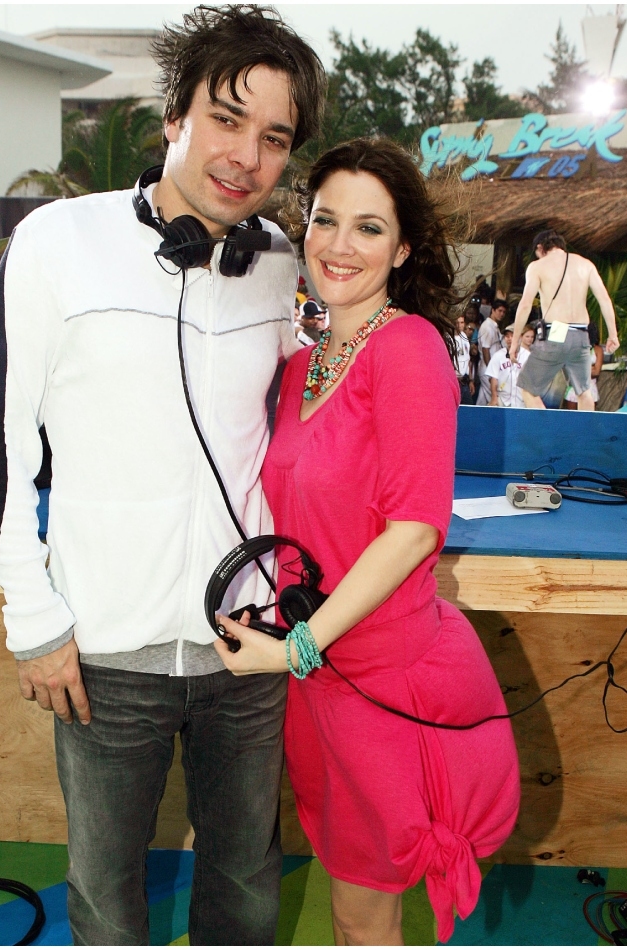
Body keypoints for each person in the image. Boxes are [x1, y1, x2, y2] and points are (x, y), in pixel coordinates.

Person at [0, 6, 326, 946]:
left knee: (246, 888)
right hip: (101, 652)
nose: (246, 155)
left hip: (245, 644)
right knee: (106, 899)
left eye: (274, 137)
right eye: (226, 118)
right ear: (175, 115)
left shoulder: (279, 265)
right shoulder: (58, 240)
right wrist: (32, 614)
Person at [215, 138, 520, 945]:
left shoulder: (410, 348)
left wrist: (296, 646)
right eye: (325, 220)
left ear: (404, 246)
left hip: (379, 678)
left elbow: (415, 529)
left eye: (369, 227)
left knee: (361, 910)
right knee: (349, 893)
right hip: (316, 676)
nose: (339, 245)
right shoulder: (304, 366)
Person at [510, 229, 619, 411]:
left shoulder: (538, 267)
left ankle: (545, 433)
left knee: (528, 389)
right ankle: (585, 437)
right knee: (584, 392)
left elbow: (525, 305)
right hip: (581, 335)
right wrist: (613, 335)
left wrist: (515, 342)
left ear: (540, 248)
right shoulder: (586, 264)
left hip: (556, 331)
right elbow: (605, 300)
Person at [487, 323, 531, 407]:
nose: (509, 339)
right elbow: (493, 378)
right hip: (503, 398)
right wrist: (494, 398)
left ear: (520, 337)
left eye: (512, 336)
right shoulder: (498, 355)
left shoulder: (527, 356)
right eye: (507, 336)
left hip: (522, 399)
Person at [475, 298, 507, 405]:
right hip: (487, 368)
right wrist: (491, 370)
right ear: (493, 310)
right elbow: (485, 349)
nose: (501, 314)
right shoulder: (487, 327)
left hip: (490, 367)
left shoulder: (494, 326)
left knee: (482, 399)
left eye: (503, 312)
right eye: (499, 311)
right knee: (494, 398)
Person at [564, 322, 603, 409]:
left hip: (591, 387)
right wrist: (590, 368)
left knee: (589, 418)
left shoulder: (597, 349)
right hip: (574, 387)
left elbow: (596, 372)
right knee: (572, 417)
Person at [453, 312, 475, 404]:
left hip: (465, 380)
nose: (459, 325)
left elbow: (468, 360)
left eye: (462, 322)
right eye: (457, 322)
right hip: (454, 380)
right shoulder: (448, 338)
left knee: (469, 410)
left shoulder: (464, 337)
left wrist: (471, 380)